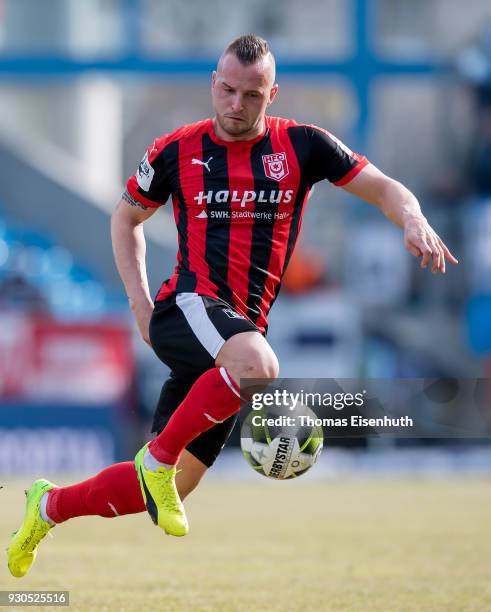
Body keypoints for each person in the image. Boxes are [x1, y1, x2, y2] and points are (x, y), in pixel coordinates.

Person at [7, 34, 458, 577]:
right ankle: (157, 461)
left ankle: (48, 505)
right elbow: (125, 218)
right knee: (259, 367)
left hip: (235, 337)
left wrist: (412, 216)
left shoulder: (304, 145)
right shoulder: (175, 149)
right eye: (227, 90)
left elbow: (385, 187)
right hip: (191, 307)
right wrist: (140, 303)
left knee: (167, 490)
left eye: (251, 94)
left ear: (272, 94)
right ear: (213, 84)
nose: (235, 105)